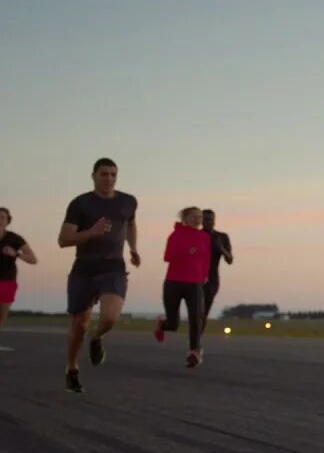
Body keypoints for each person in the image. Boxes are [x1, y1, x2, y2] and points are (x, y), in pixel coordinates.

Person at [58, 158, 141, 393]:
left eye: (113, 175)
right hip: (84, 269)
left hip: (113, 267)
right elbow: (63, 240)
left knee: (110, 318)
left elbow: (131, 224)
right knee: (79, 325)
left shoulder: (128, 201)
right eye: (104, 174)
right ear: (93, 176)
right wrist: (92, 232)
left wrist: (133, 248)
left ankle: (97, 339)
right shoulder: (80, 204)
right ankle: (72, 369)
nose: (109, 179)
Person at [154, 207, 211, 368]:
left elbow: (206, 259)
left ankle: (194, 352)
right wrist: (187, 251)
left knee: (196, 317)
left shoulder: (204, 237)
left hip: (195, 283)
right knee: (174, 324)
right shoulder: (175, 235)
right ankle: (162, 324)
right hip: (174, 282)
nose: (198, 219)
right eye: (193, 216)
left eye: (199, 217)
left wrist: (204, 275)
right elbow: (168, 257)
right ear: (185, 218)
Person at [0, 207, 39, 334]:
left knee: (1, 317)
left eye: (2, 217)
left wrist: (16, 254)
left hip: (7, 280)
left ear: (7, 221)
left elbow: (33, 259)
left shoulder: (14, 239)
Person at [199, 209, 233, 338]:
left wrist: (221, 248)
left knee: (204, 311)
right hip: (196, 278)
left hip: (212, 279)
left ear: (214, 221)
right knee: (197, 310)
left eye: (210, 219)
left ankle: (196, 339)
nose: (208, 222)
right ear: (201, 221)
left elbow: (230, 260)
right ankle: (194, 340)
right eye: (205, 219)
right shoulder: (196, 235)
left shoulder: (221, 237)